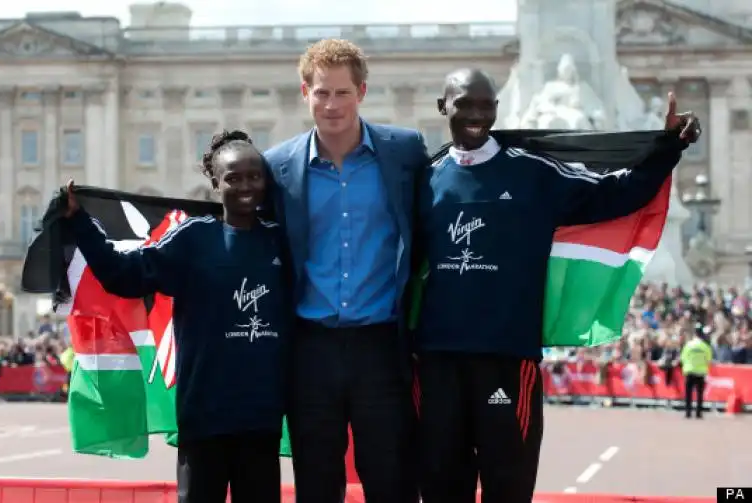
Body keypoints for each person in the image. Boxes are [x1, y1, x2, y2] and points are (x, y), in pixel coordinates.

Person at [412, 68, 702, 503]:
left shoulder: (533, 173)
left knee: (508, 485)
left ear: (496, 109)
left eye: (485, 105)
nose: (475, 114)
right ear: (442, 108)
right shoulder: (424, 179)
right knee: (439, 486)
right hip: (437, 362)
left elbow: (614, 194)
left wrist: (668, 148)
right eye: (463, 104)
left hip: (508, 360)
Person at [62, 130, 289, 503]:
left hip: (262, 417)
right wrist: (81, 223)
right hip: (204, 416)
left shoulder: (282, 240)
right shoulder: (193, 239)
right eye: (233, 177)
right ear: (216, 184)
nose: (246, 185)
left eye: (254, 175)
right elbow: (125, 275)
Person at [263, 39, 427, 503]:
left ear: (362, 92)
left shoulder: (405, 152)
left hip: (381, 344)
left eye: (341, 93)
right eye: (321, 93)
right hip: (310, 347)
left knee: (391, 477)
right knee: (316, 482)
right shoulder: (278, 167)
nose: (331, 105)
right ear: (304, 93)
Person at [680, 331, 713, 419]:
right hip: (700, 372)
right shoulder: (705, 346)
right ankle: (698, 413)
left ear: (694, 335)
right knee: (699, 394)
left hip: (689, 371)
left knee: (688, 394)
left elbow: (683, 358)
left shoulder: (688, 345)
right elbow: (709, 360)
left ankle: (688, 412)